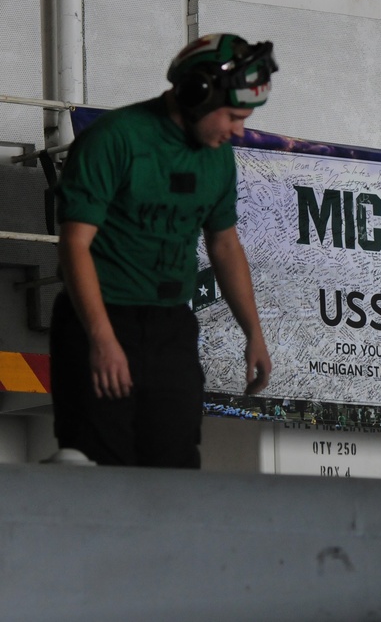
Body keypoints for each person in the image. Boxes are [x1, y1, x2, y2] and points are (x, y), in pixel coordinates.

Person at [49, 33, 278, 468]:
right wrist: (101, 339)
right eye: (232, 116)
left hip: (171, 325)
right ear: (195, 95)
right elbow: (75, 244)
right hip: (100, 318)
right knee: (96, 464)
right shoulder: (115, 139)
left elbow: (225, 244)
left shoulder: (217, 157)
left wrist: (254, 333)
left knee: (175, 466)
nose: (238, 130)